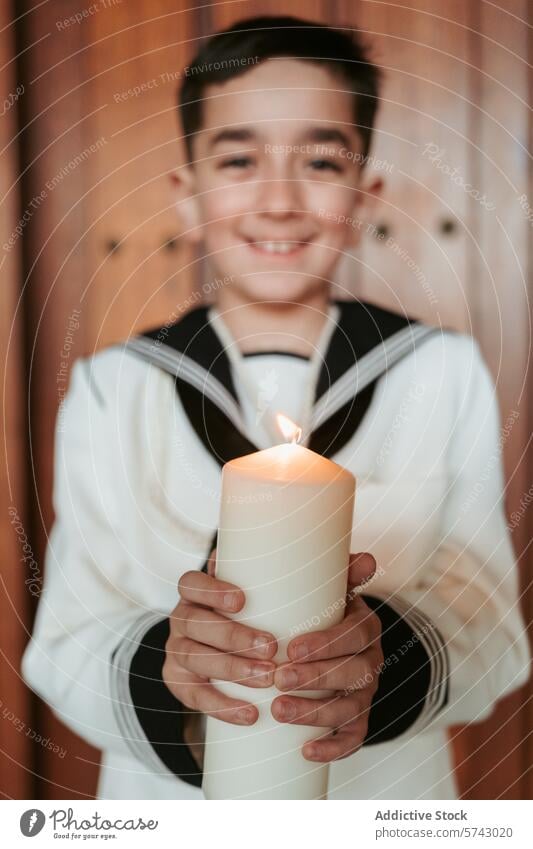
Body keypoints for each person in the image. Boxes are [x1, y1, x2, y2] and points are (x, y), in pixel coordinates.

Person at [22, 15, 530, 800]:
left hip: (377, 799)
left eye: (321, 160)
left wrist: (379, 659)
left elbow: (493, 634)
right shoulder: (111, 387)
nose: (280, 200)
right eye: (238, 159)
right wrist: (175, 663)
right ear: (186, 196)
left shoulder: (439, 373)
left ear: (365, 196)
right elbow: (63, 645)